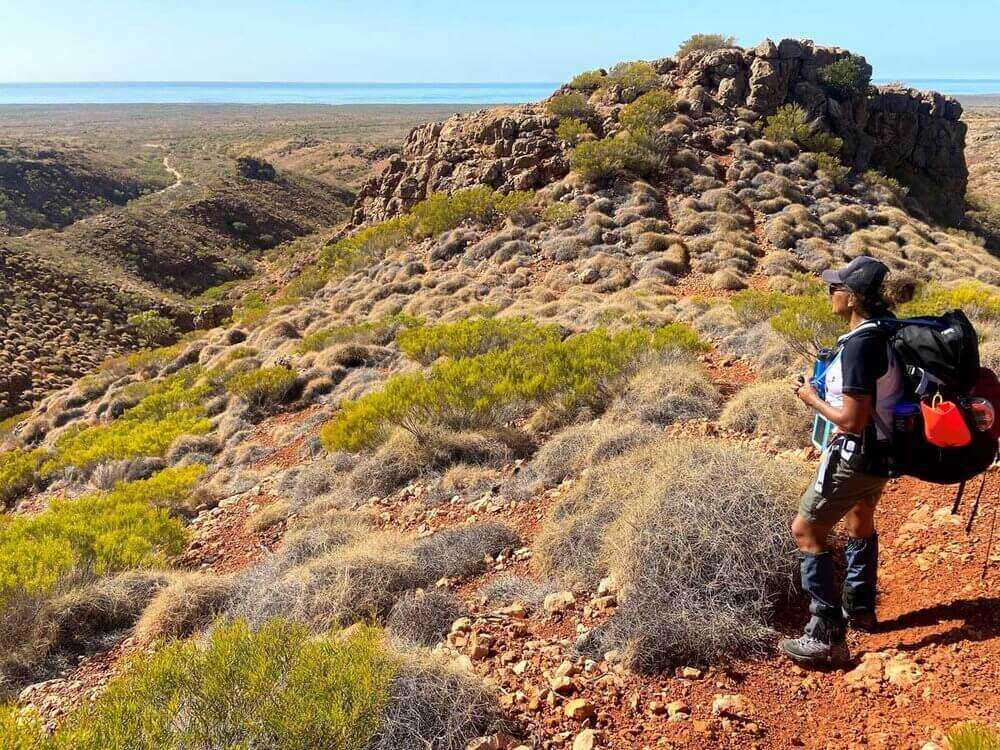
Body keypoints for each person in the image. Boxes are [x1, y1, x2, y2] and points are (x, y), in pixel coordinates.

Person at [778, 256, 903, 667]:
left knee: (807, 528)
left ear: (852, 298)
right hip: (881, 454)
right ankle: (860, 608)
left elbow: (852, 419)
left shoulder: (861, 343)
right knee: (859, 519)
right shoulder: (882, 333)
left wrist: (810, 399)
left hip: (856, 456)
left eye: (835, 287)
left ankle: (827, 636)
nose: (830, 293)